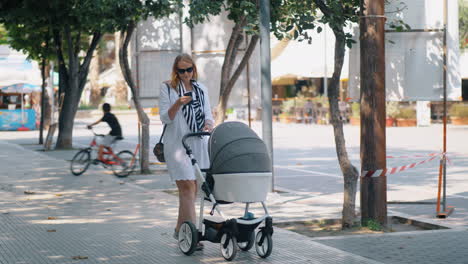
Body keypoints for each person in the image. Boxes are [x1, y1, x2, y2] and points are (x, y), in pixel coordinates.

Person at [159, 53, 214, 250]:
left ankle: (179, 229)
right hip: (177, 145)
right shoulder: (167, 88)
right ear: (176, 71)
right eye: (181, 71)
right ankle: (194, 236)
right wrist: (178, 103)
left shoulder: (201, 88)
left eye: (188, 70)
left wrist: (208, 124)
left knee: (193, 189)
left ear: (194, 69)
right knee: (187, 188)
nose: (185, 74)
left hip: (198, 143)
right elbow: (166, 118)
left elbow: (209, 114)